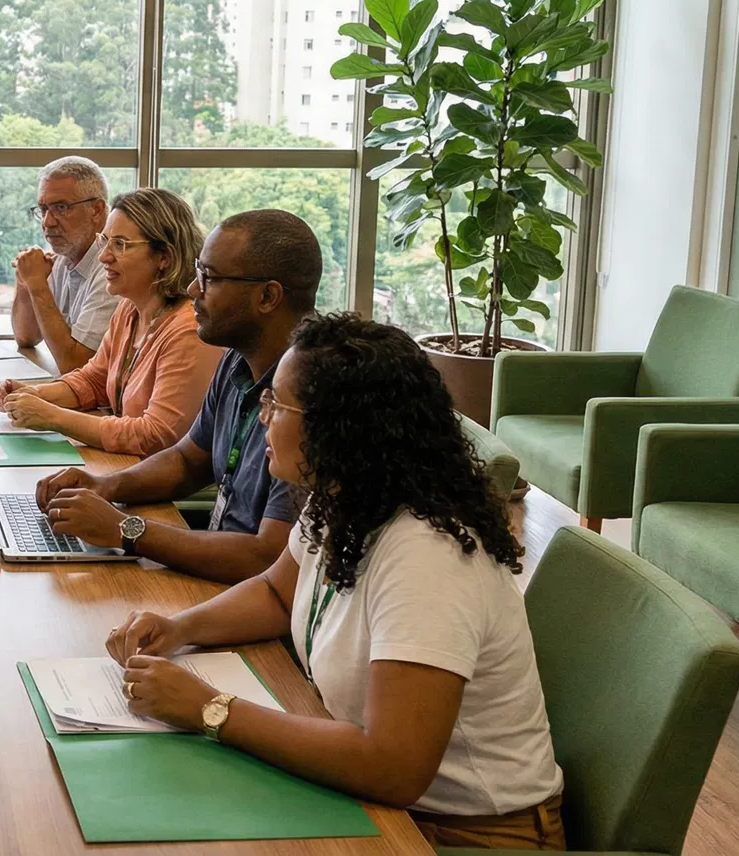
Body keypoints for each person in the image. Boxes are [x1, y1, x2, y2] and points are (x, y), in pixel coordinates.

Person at [107, 314, 563, 849]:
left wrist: (210, 708)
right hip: (381, 798)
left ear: (341, 427)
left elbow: (394, 767)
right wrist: (177, 628)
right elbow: (278, 592)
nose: (262, 419)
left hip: (462, 834)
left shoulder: (428, 554)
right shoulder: (344, 494)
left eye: (277, 406)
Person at [34, 209, 322, 584]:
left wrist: (127, 529)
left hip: (251, 593)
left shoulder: (312, 392)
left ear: (268, 296)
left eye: (209, 278)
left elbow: (266, 557)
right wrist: (105, 486)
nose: (193, 289)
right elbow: (188, 460)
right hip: (217, 573)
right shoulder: (238, 356)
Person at [0, 188, 222, 455]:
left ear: (164, 257)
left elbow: (155, 436)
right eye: (106, 242)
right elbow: (95, 380)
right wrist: (34, 394)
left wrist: (52, 417)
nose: (104, 256)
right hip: (131, 469)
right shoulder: (129, 309)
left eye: (120, 245)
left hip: (173, 492)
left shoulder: (187, 330)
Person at [10, 156, 120, 374]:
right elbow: (26, 337)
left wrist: (37, 284)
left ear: (97, 211)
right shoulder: (62, 257)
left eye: (61, 208)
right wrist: (26, 283)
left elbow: (75, 365)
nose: (47, 222)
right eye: (43, 209)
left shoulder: (112, 267)